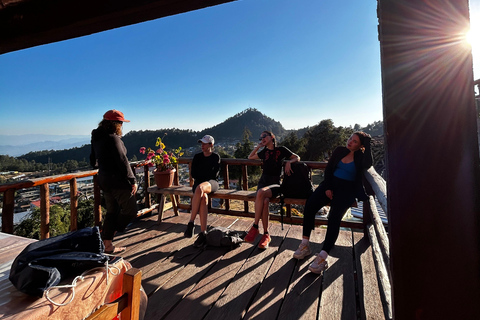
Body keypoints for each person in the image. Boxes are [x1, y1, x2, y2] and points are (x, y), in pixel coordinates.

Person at [293, 131, 373, 273]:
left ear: (361, 145)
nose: (350, 142)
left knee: (334, 218)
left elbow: (368, 163)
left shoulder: (361, 157)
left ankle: (323, 256)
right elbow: (329, 169)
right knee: (310, 206)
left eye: (355, 141)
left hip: (346, 190)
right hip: (329, 185)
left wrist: (367, 144)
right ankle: (305, 244)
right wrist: (328, 187)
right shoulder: (339, 150)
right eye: (350, 139)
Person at [90, 109, 138, 254]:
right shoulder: (113, 138)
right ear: (115, 124)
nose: (122, 126)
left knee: (112, 212)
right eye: (120, 123)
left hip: (104, 180)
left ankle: (107, 245)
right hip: (117, 182)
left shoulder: (97, 138)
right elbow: (123, 161)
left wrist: (103, 166)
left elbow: (93, 161)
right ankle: (109, 234)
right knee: (130, 211)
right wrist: (132, 180)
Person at [245, 131, 300, 249]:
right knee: (264, 202)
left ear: (272, 137)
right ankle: (266, 234)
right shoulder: (264, 152)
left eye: (264, 136)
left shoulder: (281, 150)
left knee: (260, 193)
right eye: (261, 137)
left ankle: (255, 226)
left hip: (275, 184)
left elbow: (297, 157)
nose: (262, 138)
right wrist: (258, 147)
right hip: (263, 182)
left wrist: (289, 162)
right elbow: (250, 157)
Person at [184, 135, 221, 247]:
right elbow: (194, 174)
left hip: (211, 183)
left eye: (204, 143)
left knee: (200, 188)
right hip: (199, 183)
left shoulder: (215, 157)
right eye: (201, 143)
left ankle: (191, 222)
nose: (202, 145)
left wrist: (202, 175)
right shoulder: (197, 157)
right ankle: (203, 233)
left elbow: (214, 175)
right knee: (203, 197)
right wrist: (203, 174)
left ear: (211, 145)